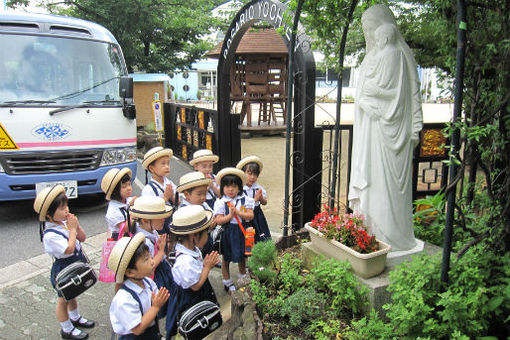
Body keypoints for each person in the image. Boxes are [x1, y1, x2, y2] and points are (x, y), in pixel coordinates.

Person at [348, 4, 423, 251]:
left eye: (373, 29)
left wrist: (373, 96)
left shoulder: (397, 55)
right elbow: (364, 92)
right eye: (368, 30)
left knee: (388, 186)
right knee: (373, 181)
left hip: (390, 131)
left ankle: (392, 237)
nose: (371, 35)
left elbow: (404, 94)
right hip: (372, 130)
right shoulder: (374, 56)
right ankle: (371, 234)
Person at [34, 185, 95, 340]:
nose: (66, 210)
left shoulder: (63, 223)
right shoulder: (50, 235)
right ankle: (66, 329)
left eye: (66, 206)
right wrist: (72, 230)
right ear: (48, 214)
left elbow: (83, 238)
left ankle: (75, 318)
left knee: (72, 295)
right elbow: (68, 249)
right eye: (61, 208)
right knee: (63, 300)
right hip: (63, 269)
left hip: (75, 264)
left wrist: (77, 226)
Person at [167, 205, 221, 339]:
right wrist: (207, 267)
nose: (208, 237)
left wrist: (204, 265)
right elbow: (196, 286)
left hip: (199, 294)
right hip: (191, 299)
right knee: (198, 326)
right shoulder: (184, 261)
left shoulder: (192, 250)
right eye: (206, 233)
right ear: (194, 236)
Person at [108, 233, 170, 339]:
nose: (152, 262)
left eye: (150, 256)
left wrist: (159, 301)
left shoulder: (148, 283)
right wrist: (155, 306)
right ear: (130, 272)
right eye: (146, 260)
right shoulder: (124, 299)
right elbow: (137, 329)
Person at [213, 167, 255, 293]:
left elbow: (250, 215)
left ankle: (243, 278)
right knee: (226, 258)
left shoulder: (244, 200)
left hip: (242, 232)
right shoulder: (221, 202)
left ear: (239, 187)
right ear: (222, 188)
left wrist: (238, 213)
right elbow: (218, 220)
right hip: (228, 233)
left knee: (242, 257)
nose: (230, 189)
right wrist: (230, 216)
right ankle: (228, 282)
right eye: (227, 186)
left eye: (234, 186)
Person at [141, 146, 177, 233]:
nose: (167, 167)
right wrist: (165, 198)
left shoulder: (169, 183)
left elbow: (178, 202)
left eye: (168, 163)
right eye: (163, 164)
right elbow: (149, 211)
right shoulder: (148, 189)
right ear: (152, 168)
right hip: (159, 225)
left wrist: (172, 196)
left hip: (172, 219)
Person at [236, 155, 271, 242]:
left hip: (258, 215)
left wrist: (261, 198)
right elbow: (241, 205)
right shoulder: (239, 189)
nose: (252, 177)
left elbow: (264, 202)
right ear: (242, 173)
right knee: (248, 236)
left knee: (261, 233)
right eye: (249, 173)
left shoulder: (258, 188)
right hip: (245, 215)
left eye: (255, 174)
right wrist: (255, 199)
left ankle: (261, 249)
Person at [101, 167, 136, 239]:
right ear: (115, 192)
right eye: (124, 186)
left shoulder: (128, 200)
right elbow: (126, 228)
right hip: (121, 239)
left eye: (129, 184)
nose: (129, 188)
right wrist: (133, 210)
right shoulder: (113, 211)